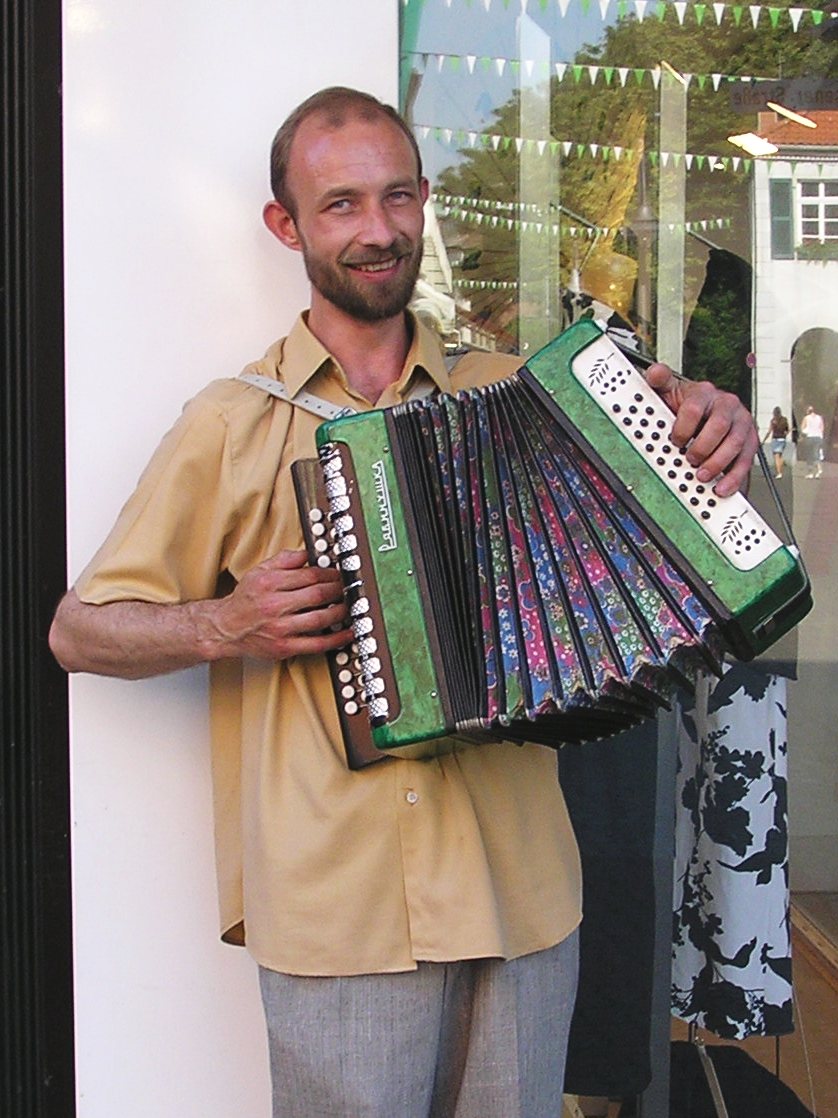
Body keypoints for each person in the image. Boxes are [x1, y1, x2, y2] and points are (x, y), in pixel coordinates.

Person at [49, 87, 759, 1118]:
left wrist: (709, 416)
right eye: (339, 205)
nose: (375, 230)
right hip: (334, 909)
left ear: (422, 200)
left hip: (519, 894)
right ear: (285, 225)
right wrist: (224, 621)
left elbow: (679, 469)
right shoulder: (231, 422)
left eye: (394, 197)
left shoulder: (524, 395)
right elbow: (79, 629)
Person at [763, 405, 790, 479]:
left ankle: (779, 473)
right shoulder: (784, 420)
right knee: (780, 456)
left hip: (775, 439)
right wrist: (785, 434)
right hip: (783, 439)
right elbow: (787, 430)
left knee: (776, 457)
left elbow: (769, 431)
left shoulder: (773, 421)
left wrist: (764, 440)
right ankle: (780, 471)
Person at [800, 404, 824, 478]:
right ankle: (818, 470)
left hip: (810, 437)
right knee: (816, 453)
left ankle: (810, 473)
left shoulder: (806, 418)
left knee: (809, 455)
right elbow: (822, 428)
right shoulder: (819, 418)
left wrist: (805, 433)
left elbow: (802, 429)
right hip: (818, 437)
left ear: (807, 411)